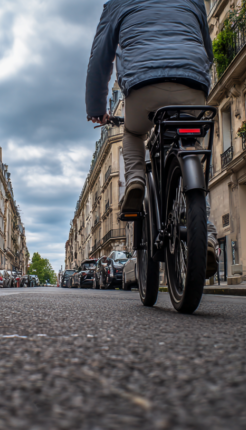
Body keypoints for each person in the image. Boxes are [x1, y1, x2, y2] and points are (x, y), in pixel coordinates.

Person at [85, 0, 217, 278]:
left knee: (132, 132)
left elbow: (100, 58)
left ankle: (135, 180)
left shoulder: (118, 3)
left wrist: (97, 109)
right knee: (189, 142)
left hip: (143, 87)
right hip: (192, 86)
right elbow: (208, 48)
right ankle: (206, 237)